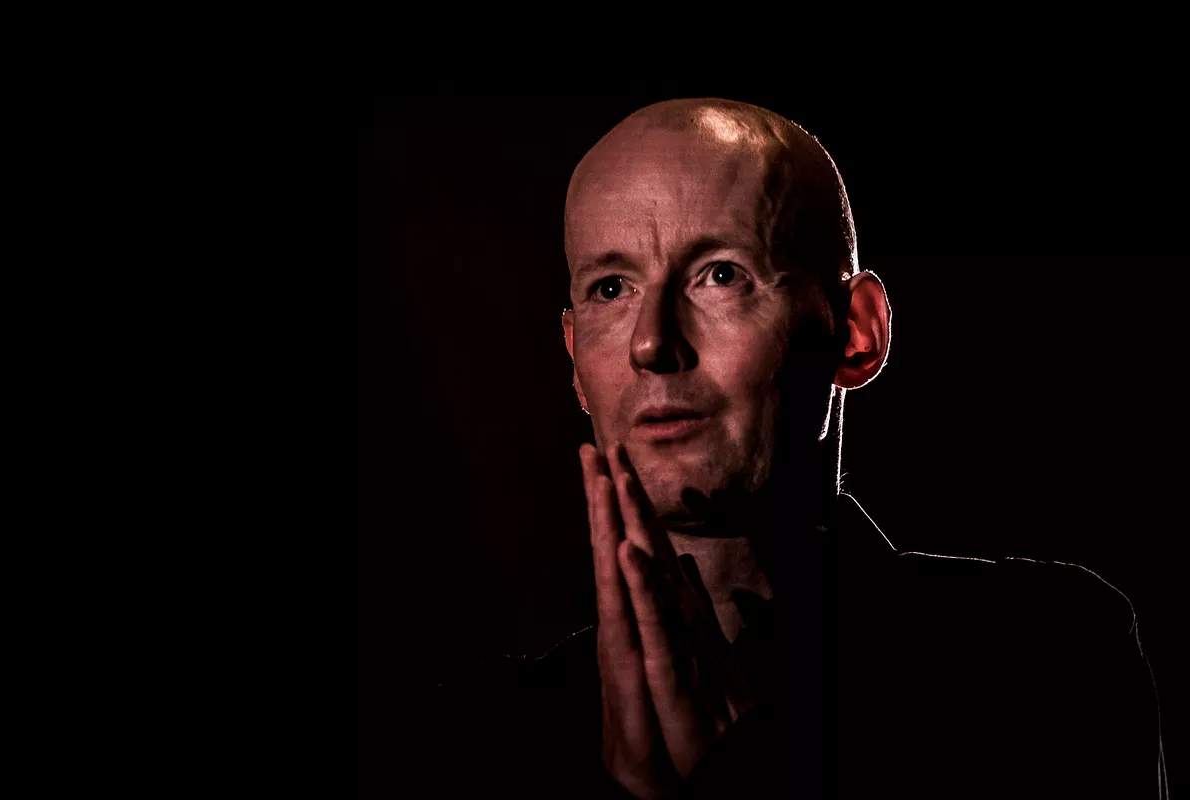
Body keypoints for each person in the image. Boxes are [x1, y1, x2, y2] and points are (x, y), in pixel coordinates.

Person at [427, 98, 1168, 798]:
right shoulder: (481, 740)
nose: (650, 343)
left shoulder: (1045, 655)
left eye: (721, 275)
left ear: (856, 331)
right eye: (612, 289)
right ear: (574, 358)